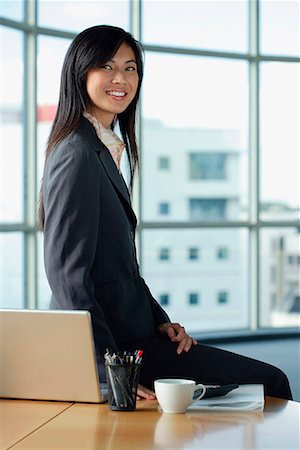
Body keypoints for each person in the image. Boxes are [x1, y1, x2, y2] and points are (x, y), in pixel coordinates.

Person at [38, 25, 292, 401]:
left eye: (130, 68)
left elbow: (121, 269)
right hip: (115, 350)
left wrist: (160, 322)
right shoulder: (76, 153)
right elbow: (68, 277)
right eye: (107, 67)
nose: (121, 79)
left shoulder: (102, 148)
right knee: (269, 384)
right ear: (80, 73)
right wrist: (108, 374)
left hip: (138, 336)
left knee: (264, 383)